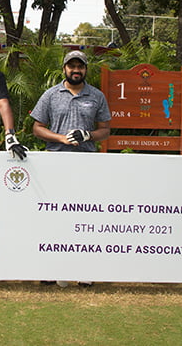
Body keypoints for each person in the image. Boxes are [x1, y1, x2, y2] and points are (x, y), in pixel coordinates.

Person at [31, 49, 111, 288]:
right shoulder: (51, 94)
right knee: (53, 216)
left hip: (86, 162)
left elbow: (105, 130)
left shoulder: (96, 96)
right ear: (64, 68)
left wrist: (88, 134)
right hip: (56, 160)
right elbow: (37, 128)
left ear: (85, 69)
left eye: (80, 66)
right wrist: (60, 138)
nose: (76, 70)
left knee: (85, 215)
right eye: (71, 66)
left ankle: (84, 269)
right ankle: (52, 269)